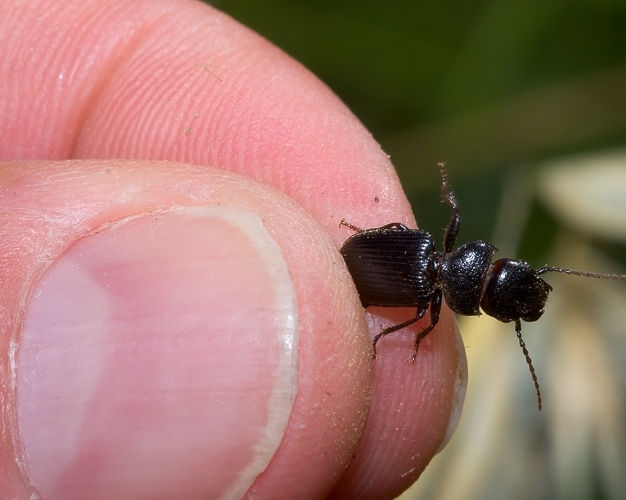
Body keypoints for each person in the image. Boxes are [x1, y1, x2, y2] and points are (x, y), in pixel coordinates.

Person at [0, 1, 466, 498]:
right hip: (371, 267)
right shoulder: (425, 301)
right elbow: (399, 278)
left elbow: (394, 242)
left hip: (374, 264)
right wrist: (400, 336)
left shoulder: (424, 266)